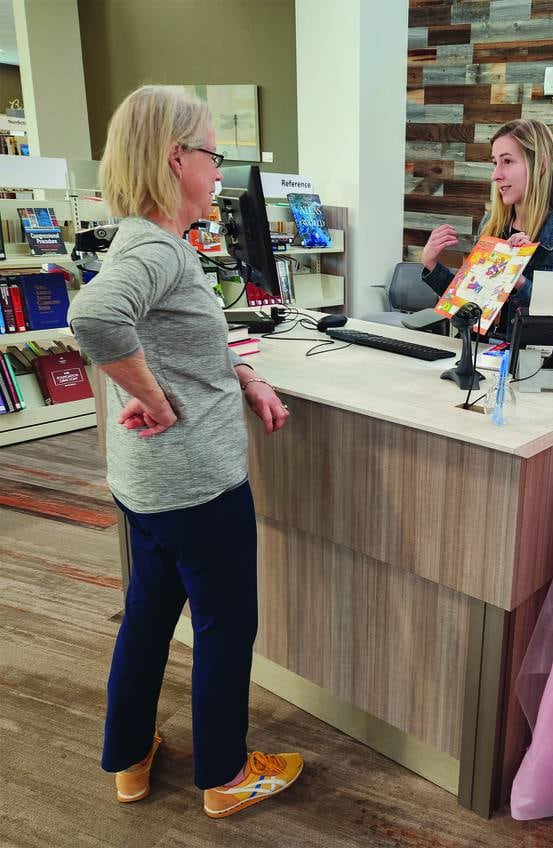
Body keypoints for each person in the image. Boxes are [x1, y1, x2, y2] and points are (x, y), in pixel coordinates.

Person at [68, 85, 303, 820]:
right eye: (213, 154)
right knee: (226, 629)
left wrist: (242, 373)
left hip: (148, 485)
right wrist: (158, 398)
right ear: (177, 160)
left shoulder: (152, 244)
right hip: (198, 485)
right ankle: (227, 774)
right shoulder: (156, 249)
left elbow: (178, 344)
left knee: (148, 614)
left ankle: (130, 755)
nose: (219, 171)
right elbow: (96, 317)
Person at [420, 118, 553, 338]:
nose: (496, 175)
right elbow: (467, 303)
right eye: (495, 163)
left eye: (507, 161)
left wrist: (518, 280)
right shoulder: (491, 225)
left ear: (540, 166)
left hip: (527, 367)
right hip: (475, 357)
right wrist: (431, 264)